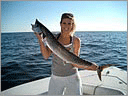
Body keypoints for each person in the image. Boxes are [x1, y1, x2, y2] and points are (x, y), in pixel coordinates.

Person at [34, 13, 98, 95]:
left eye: (69, 23)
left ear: (72, 25)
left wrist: (90, 67)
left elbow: (75, 63)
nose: (66, 26)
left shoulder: (76, 41)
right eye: (64, 23)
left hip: (73, 78)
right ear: (60, 24)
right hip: (56, 78)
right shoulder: (53, 38)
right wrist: (40, 40)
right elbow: (46, 56)